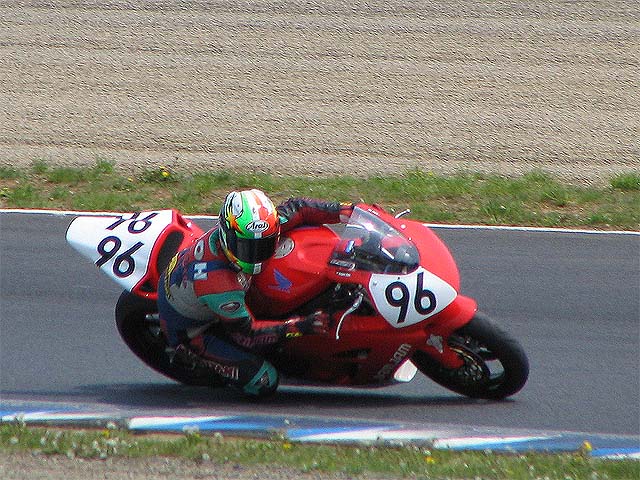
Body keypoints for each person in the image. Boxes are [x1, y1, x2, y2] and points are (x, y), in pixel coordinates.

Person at [157, 189, 353, 397]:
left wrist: (346, 211)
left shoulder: (255, 229)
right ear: (227, 236)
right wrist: (300, 326)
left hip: (207, 294)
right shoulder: (219, 284)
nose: (255, 256)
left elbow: (300, 208)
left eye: (264, 245)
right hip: (192, 332)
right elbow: (246, 334)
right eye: (245, 247)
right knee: (264, 381)